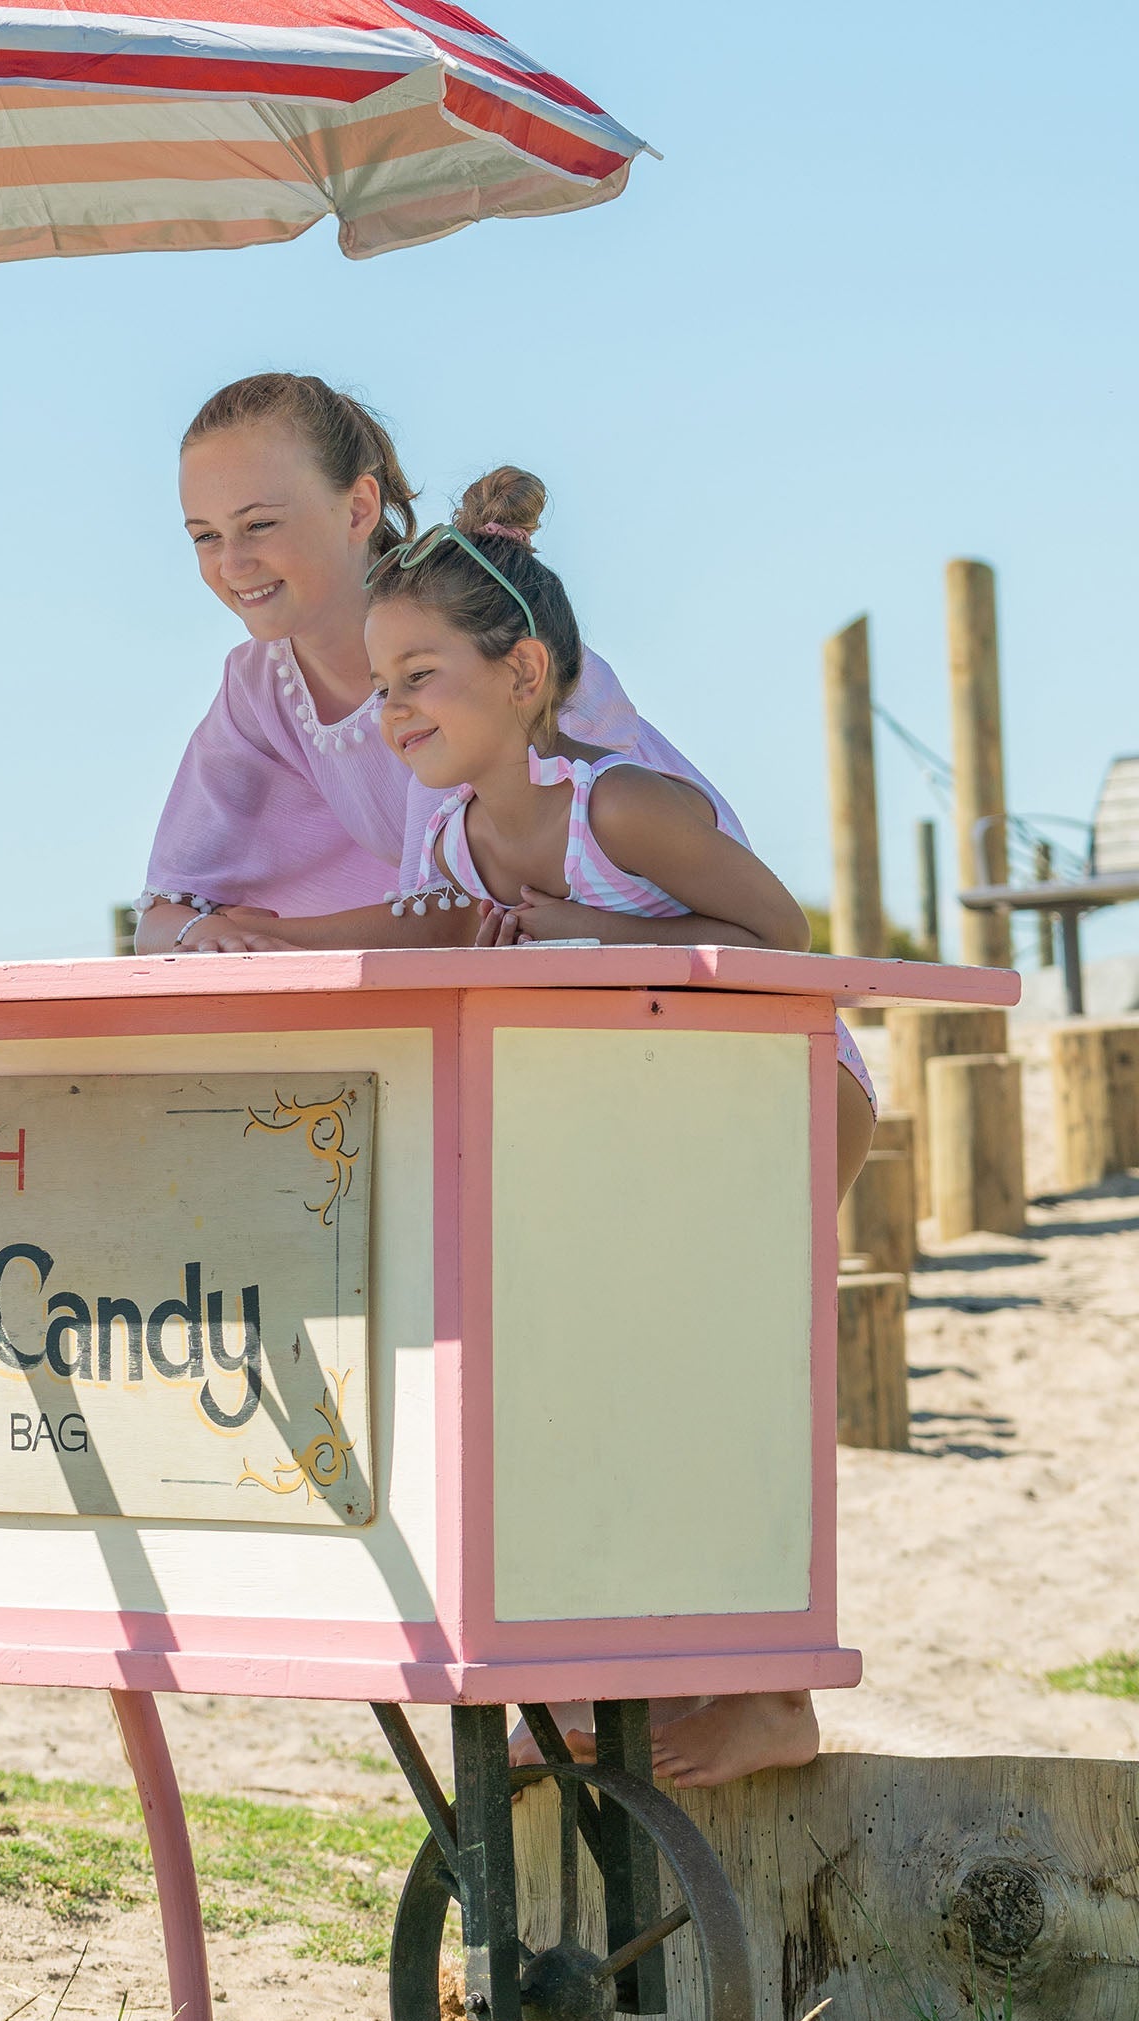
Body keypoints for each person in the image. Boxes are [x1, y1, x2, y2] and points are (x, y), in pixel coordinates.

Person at [362, 468, 876, 1788]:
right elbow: (407, 944)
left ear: (524, 673)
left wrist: (598, 932)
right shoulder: (458, 844)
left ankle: (770, 1700)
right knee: (587, 1381)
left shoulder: (625, 807)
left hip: (771, 1098)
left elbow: (784, 939)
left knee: (718, 1378)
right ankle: (624, 1688)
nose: (393, 708)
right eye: (381, 685)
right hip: (636, 1128)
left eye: (420, 674)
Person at [136, 371, 733, 957]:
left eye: (259, 524)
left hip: (678, 964)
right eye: (205, 536)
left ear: (357, 508)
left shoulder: (475, 640)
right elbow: (162, 913)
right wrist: (199, 934)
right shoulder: (259, 685)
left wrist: (263, 942)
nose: (233, 564)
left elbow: (475, 911)